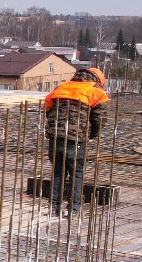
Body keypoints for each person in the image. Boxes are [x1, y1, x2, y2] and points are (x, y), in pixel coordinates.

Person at [42, 67, 109, 216]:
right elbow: (99, 118)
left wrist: (57, 128)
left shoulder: (63, 86)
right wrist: (92, 135)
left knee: (58, 171)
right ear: (98, 80)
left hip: (55, 136)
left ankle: (54, 206)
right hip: (75, 138)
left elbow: (47, 108)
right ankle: (74, 208)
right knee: (76, 172)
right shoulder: (96, 91)